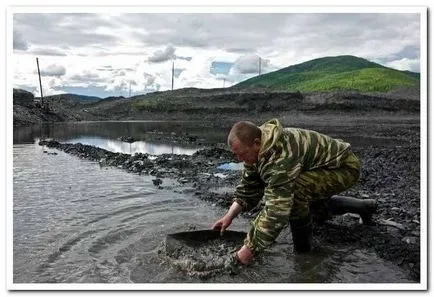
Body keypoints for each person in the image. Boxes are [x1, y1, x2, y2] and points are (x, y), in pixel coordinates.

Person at [212, 118, 377, 266]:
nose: (240, 160)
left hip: (344, 168)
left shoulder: (280, 157)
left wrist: (248, 250)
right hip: (317, 168)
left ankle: (304, 253)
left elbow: (277, 210)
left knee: (295, 194)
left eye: (242, 154)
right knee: (314, 207)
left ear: (256, 143)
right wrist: (229, 216)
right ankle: (365, 207)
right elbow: (249, 185)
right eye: (237, 156)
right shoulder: (257, 148)